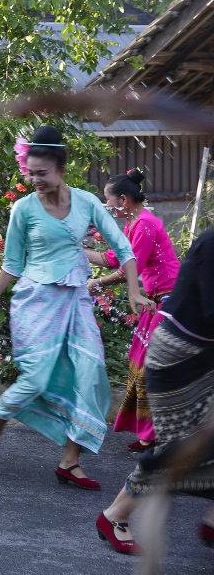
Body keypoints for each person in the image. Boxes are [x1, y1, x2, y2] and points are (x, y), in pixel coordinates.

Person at [0, 126, 149, 488]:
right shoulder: (23, 209)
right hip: (36, 301)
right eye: (30, 173)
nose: (35, 180)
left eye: (43, 173)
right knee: (36, 379)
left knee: (90, 372)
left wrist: (133, 289)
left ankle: (70, 461)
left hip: (75, 300)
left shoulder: (85, 202)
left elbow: (123, 248)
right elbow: (11, 263)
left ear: (61, 170)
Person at [93, 227, 214, 555]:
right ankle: (114, 516)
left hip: (198, 354)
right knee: (180, 448)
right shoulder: (212, 242)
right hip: (178, 355)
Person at [85, 168, 181, 449]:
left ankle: (158, 435)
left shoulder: (145, 225)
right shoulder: (134, 224)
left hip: (168, 302)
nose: (107, 206)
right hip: (154, 301)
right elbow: (114, 258)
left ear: (124, 200)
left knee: (149, 365)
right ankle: (150, 434)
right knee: (139, 360)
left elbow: (129, 267)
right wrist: (74, 248)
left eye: (108, 200)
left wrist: (97, 283)